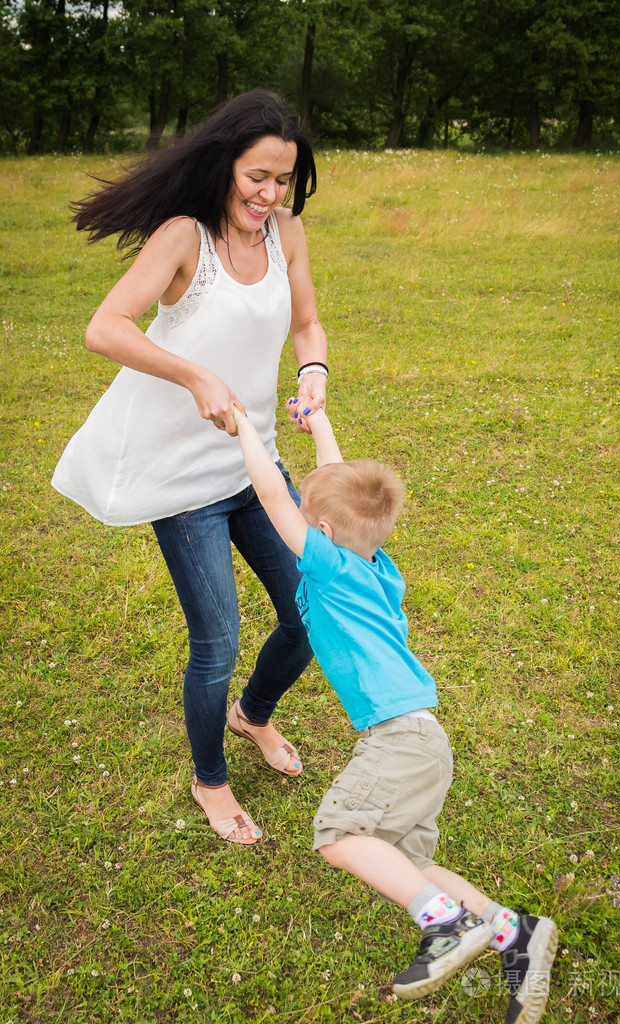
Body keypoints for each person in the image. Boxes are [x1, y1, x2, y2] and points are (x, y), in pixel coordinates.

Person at [51, 90, 330, 846]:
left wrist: (313, 372)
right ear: (225, 164)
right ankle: (210, 780)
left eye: (282, 180)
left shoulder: (287, 234)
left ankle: (252, 716)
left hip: (256, 463)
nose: (268, 194)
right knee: (218, 641)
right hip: (183, 479)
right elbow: (105, 327)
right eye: (256, 177)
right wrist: (195, 376)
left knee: (310, 610)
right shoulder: (186, 238)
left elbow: (306, 324)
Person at [232, 398, 558, 1021]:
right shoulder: (374, 565)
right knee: (407, 862)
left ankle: (447, 925)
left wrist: (245, 426)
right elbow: (336, 488)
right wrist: (319, 423)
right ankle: (511, 931)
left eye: (310, 521)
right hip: (425, 737)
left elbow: (273, 495)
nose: (302, 524)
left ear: (323, 535)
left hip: (397, 739)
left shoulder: (327, 567)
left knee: (340, 835)